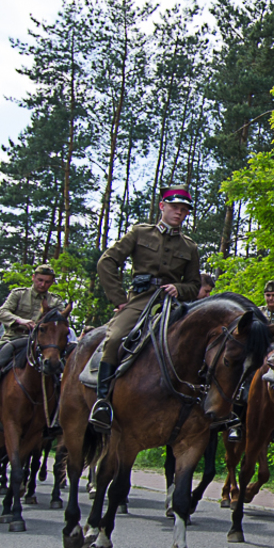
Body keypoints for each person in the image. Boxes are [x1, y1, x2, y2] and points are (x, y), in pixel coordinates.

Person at [88, 184, 201, 432]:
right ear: (162, 206)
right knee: (116, 337)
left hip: (173, 305)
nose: (179, 213)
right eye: (175, 207)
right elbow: (107, 262)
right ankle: (103, 402)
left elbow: (194, 284)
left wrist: (179, 289)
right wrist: (119, 299)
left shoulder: (190, 247)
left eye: (184, 210)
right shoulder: (140, 233)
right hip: (139, 300)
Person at [0, 267, 65, 425]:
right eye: (40, 280)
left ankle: (59, 417)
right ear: (33, 277)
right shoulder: (19, 294)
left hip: (42, 343)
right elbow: (2, 312)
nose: (43, 285)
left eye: (47, 282)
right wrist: (20, 321)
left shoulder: (55, 300)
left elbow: (61, 319)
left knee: (63, 368)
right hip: (13, 338)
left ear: (52, 282)